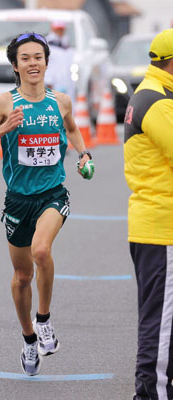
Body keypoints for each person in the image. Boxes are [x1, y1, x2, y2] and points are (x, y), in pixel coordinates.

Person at [0, 32, 94, 376]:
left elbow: (72, 129)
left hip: (53, 194)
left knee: (42, 251)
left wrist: (83, 155)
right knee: (22, 276)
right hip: (17, 200)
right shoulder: (4, 103)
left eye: (38, 56)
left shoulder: (61, 101)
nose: (33, 63)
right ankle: (27, 340)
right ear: (15, 65)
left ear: (46, 62)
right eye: (25, 58)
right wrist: (4, 128)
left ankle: (44, 320)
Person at [124, 28, 173, 400]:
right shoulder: (156, 102)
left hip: (157, 225)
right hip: (162, 227)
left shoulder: (156, 93)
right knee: (160, 328)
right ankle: (149, 395)